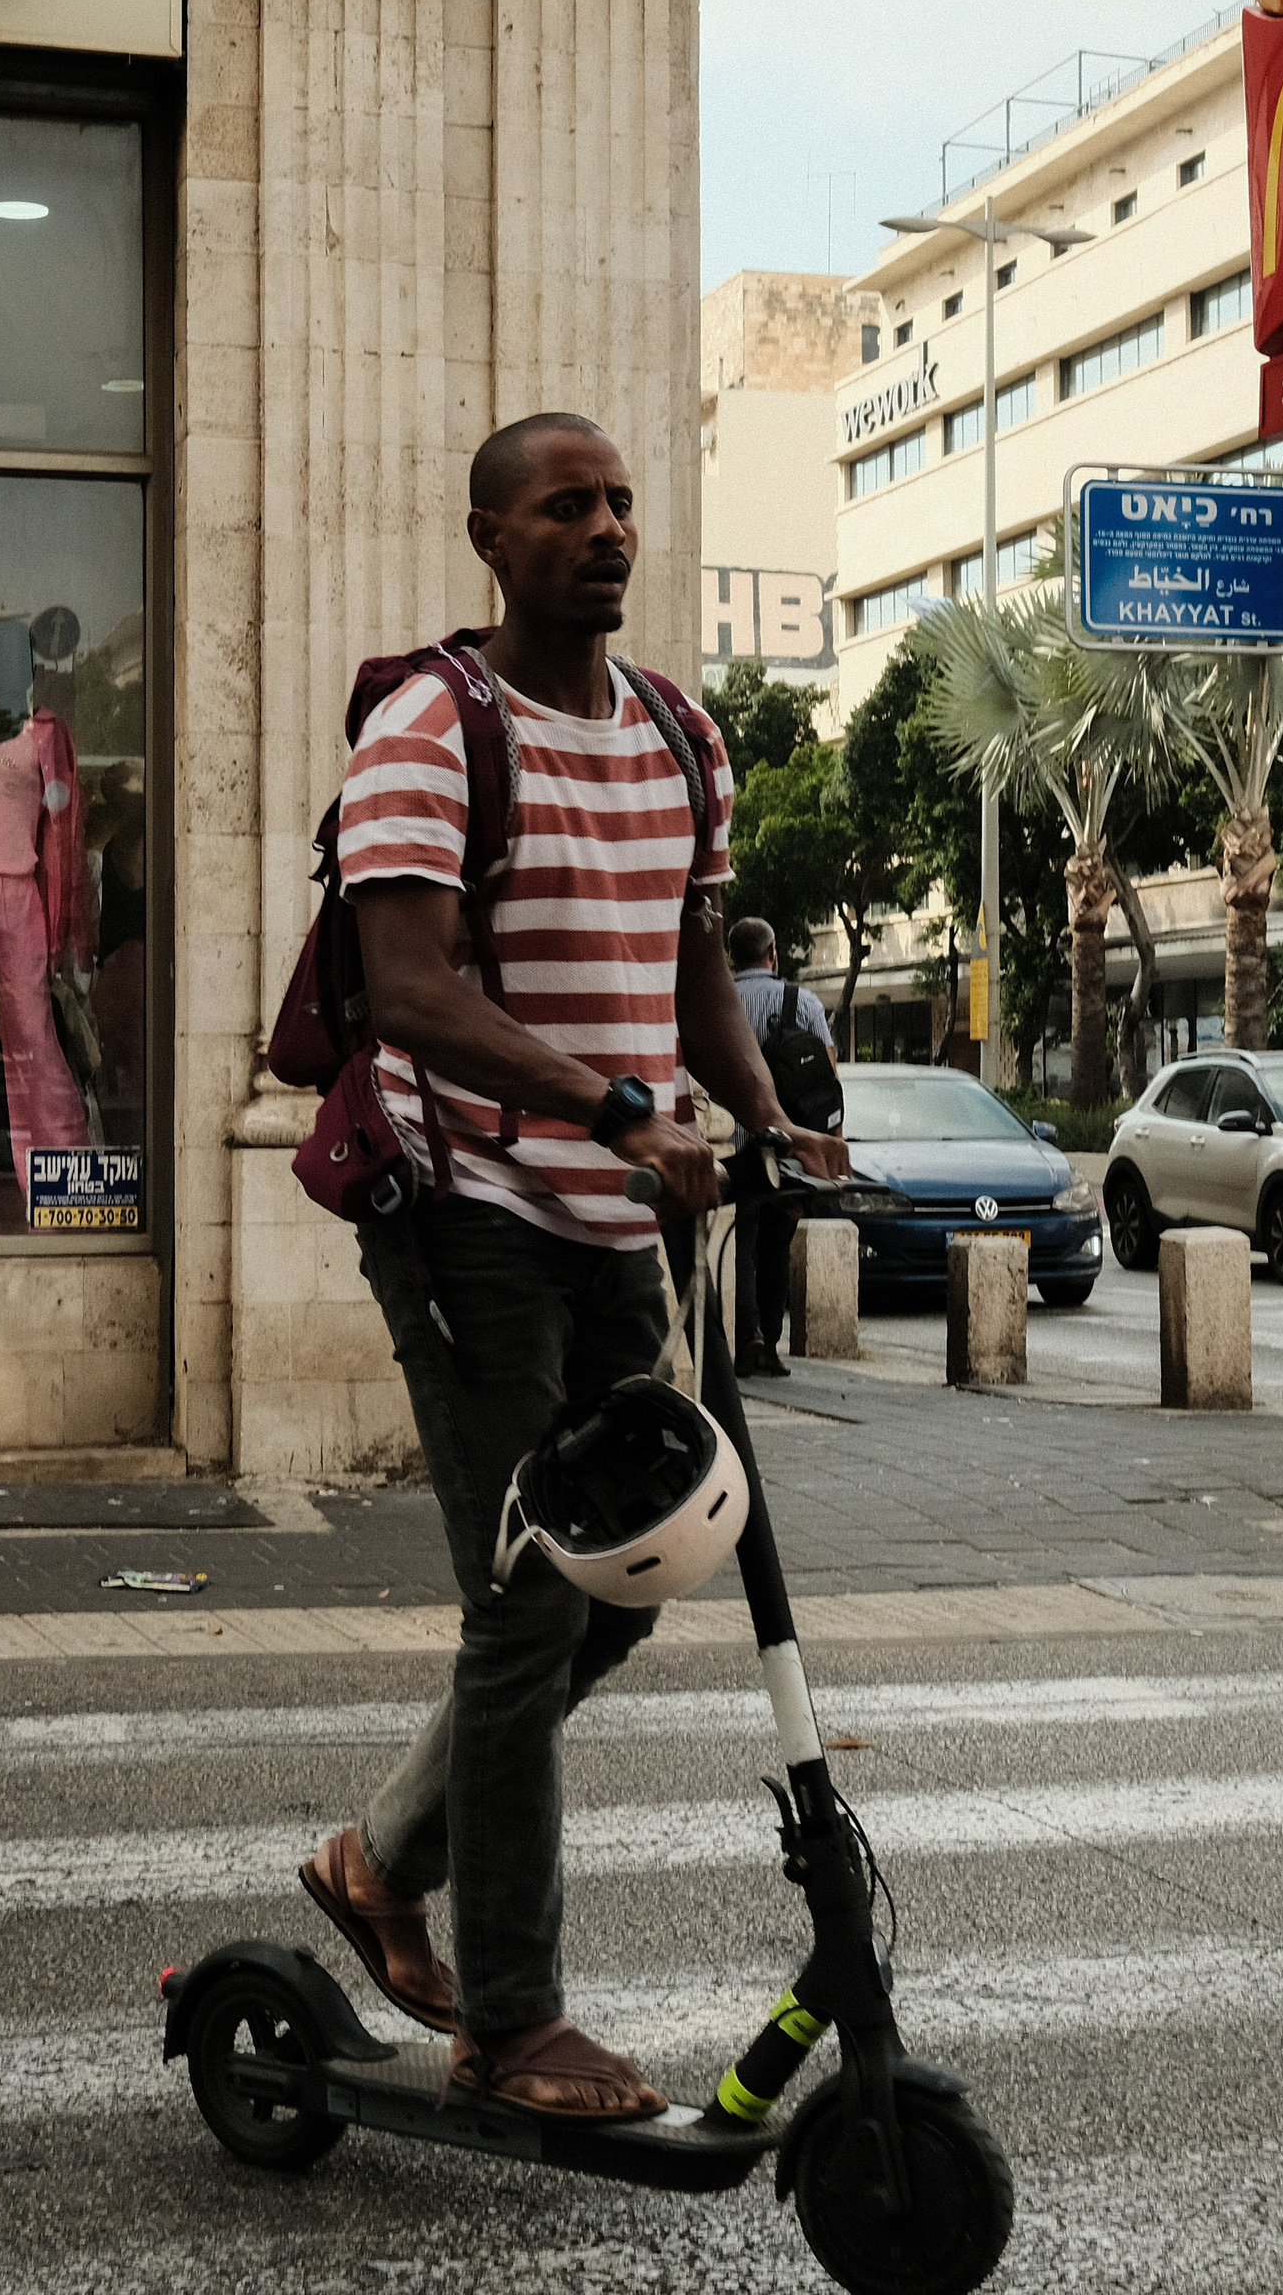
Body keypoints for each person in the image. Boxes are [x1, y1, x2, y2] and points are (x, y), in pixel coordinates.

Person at [298, 412, 848, 2123]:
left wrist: (765, 1113)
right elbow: (410, 990)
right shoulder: (431, 731)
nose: (604, 529)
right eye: (565, 507)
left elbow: (688, 961)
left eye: (619, 504)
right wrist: (617, 1109)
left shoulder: (682, 729)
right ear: (491, 538)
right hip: (469, 1211)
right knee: (526, 1606)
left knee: (620, 1582)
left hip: (624, 1218)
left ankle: (381, 1860)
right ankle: (515, 2019)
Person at [725, 915, 837, 1378]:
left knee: (740, 1244)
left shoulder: (718, 1002)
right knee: (776, 1245)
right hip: (789, 1146)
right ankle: (768, 1344)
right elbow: (828, 1079)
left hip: (729, 1148)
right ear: (773, 953)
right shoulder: (802, 1002)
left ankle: (744, 1336)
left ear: (733, 957)